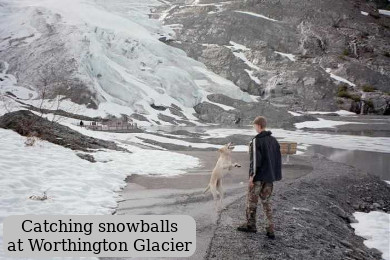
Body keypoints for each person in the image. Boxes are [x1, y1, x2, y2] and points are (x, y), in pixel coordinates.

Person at [237, 116, 282, 239]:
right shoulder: (274, 141)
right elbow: (277, 159)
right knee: (267, 202)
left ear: (258, 125)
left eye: (254, 126)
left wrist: (252, 176)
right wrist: (275, 175)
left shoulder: (257, 140)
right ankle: (270, 229)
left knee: (252, 202)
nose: (254, 128)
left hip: (258, 178)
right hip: (269, 178)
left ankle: (251, 225)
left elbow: (255, 160)